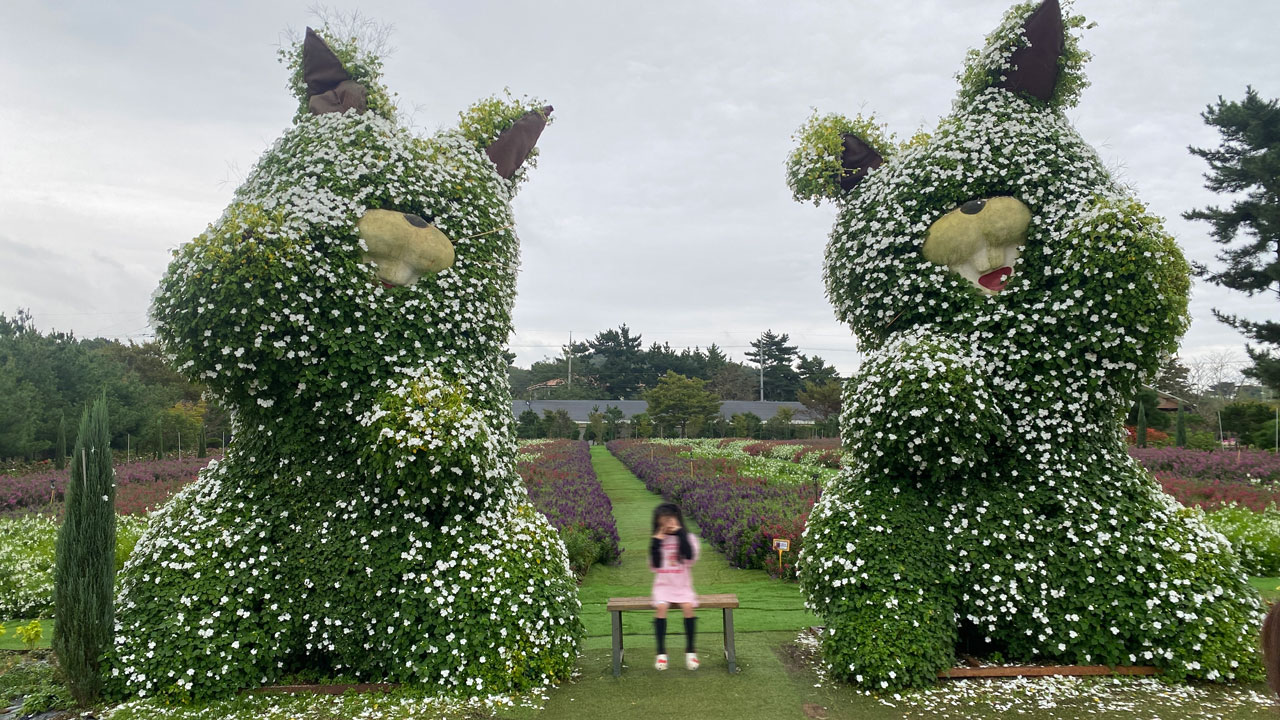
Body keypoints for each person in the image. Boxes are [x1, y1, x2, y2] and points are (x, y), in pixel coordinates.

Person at [649, 502, 701, 670]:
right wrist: (656, 541)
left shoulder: (688, 538)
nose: (668, 525)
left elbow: (690, 557)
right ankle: (661, 653)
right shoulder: (658, 541)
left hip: (682, 586)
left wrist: (681, 534)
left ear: (678, 520)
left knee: (688, 607)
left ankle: (691, 651)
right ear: (658, 523)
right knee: (661, 607)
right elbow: (655, 565)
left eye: (670, 520)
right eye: (663, 522)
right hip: (663, 586)